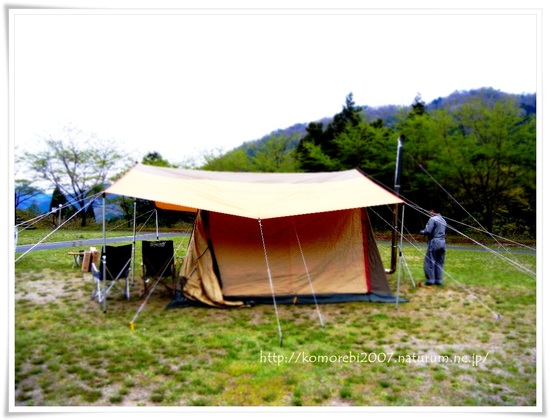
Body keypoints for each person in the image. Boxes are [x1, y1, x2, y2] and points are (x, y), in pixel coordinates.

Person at [420, 209, 447, 286]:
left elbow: (428, 231)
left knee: (429, 261)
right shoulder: (444, 220)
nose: (429, 212)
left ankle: (430, 281)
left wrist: (422, 232)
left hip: (435, 242)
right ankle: (438, 281)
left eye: (430, 211)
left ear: (433, 211)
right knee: (439, 261)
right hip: (443, 242)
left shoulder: (433, 219)